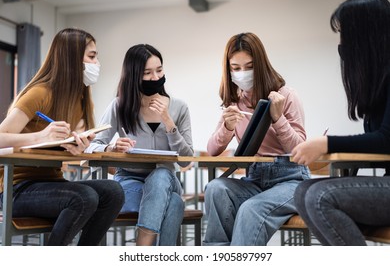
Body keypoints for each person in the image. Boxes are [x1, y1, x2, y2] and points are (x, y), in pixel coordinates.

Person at [0, 28, 125, 246]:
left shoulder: (80, 99)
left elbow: (72, 147)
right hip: (16, 188)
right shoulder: (40, 93)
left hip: (51, 184)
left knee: (113, 191)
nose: (97, 63)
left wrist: (81, 149)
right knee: (84, 197)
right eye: (92, 56)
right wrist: (40, 136)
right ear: (71, 58)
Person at [291, 0, 390, 246]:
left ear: (366, 37)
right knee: (303, 192)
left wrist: (326, 144)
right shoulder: (380, 83)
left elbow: (385, 140)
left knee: (319, 197)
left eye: (346, 35)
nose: (343, 45)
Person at [204, 32, 310, 246]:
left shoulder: (286, 95)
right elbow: (212, 150)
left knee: (251, 209)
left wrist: (278, 118)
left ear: (260, 65)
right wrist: (227, 127)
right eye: (235, 68)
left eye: (249, 66)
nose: (242, 73)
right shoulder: (235, 101)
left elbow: (300, 149)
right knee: (215, 188)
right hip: (255, 178)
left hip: (291, 180)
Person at [86, 44, 194, 246]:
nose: (155, 78)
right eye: (147, 73)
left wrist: (169, 122)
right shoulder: (120, 105)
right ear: (134, 75)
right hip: (129, 181)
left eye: (159, 70)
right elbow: (91, 146)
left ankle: (142, 248)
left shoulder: (179, 107)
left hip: (167, 179)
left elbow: (186, 158)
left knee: (160, 175)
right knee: (175, 203)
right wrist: (112, 147)